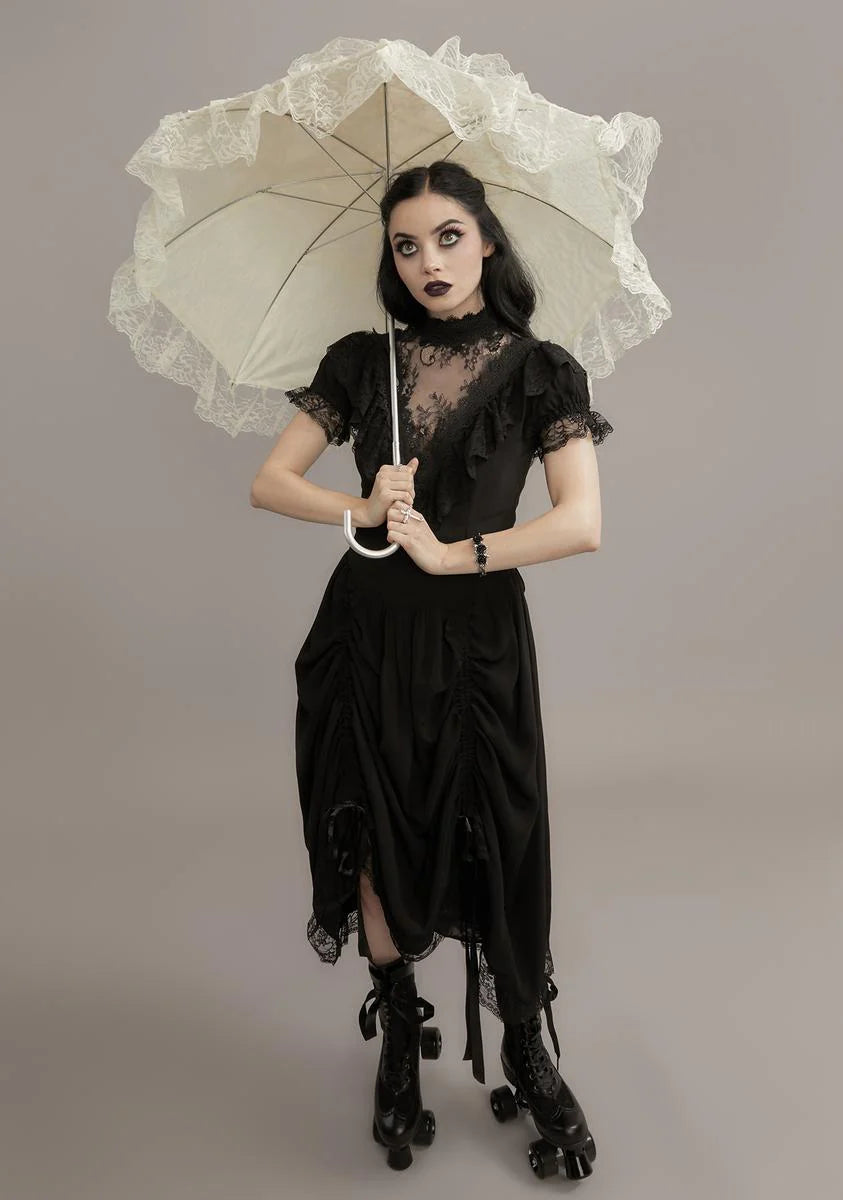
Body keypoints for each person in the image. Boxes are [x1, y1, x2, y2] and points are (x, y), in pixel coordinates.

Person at [250, 160, 611, 1176]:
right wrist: (362, 506)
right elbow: (270, 481)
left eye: (449, 237)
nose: (428, 262)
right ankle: (400, 1029)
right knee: (373, 821)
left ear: (487, 240)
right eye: (406, 245)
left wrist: (456, 554)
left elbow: (581, 522)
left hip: (477, 638)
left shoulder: (542, 372)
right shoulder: (361, 364)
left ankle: (525, 1044)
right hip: (366, 632)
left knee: (497, 831)